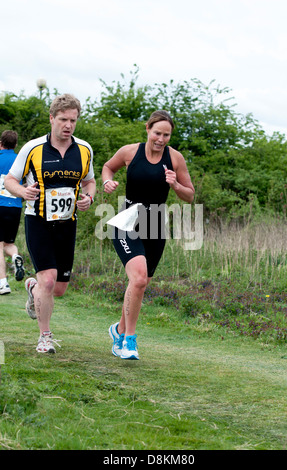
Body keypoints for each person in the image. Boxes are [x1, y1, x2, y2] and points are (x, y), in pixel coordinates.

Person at [5, 94, 96, 353]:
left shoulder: (84, 149)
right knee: (47, 280)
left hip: (68, 223)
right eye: (63, 119)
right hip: (38, 221)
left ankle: (32, 288)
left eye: (73, 120)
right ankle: (45, 337)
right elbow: (10, 180)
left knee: (58, 288)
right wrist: (22, 192)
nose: (68, 125)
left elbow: (90, 182)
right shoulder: (32, 148)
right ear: (52, 118)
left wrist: (88, 197)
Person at [102, 110, 195, 360]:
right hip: (127, 221)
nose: (161, 139)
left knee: (140, 284)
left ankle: (118, 331)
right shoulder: (130, 152)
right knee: (140, 279)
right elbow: (108, 168)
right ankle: (129, 341)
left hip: (155, 224)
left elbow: (190, 195)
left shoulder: (175, 158)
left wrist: (175, 185)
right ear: (147, 129)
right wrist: (106, 182)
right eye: (157, 133)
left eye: (166, 135)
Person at [0, 130, 25, 295]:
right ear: (16, 145)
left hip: (0, 204)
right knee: (8, 244)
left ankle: (3, 283)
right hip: (15, 207)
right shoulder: (20, 160)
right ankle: (15, 256)